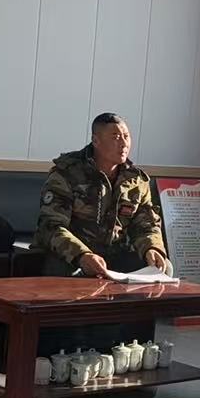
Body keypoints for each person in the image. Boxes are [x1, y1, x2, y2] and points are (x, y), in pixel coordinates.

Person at [36, 113, 170, 277]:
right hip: (74, 254)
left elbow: (146, 224)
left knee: (162, 267)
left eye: (126, 136)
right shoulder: (67, 173)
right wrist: (82, 255)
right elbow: (51, 226)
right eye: (116, 137)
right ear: (96, 141)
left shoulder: (136, 180)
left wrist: (152, 248)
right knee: (60, 267)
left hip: (115, 254)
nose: (124, 143)